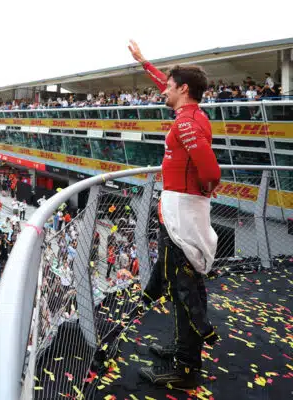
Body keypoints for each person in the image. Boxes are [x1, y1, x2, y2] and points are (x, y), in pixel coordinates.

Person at [129, 40, 220, 388]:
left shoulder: (185, 123)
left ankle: (184, 370)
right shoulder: (190, 115)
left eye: (168, 86)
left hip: (182, 214)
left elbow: (211, 171)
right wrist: (144, 63)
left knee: (185, 290)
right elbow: (167, 86)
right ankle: (185, 351)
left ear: (183, 89)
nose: (162, 91)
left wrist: (208, 186)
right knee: (184, 285)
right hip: (180, 210)